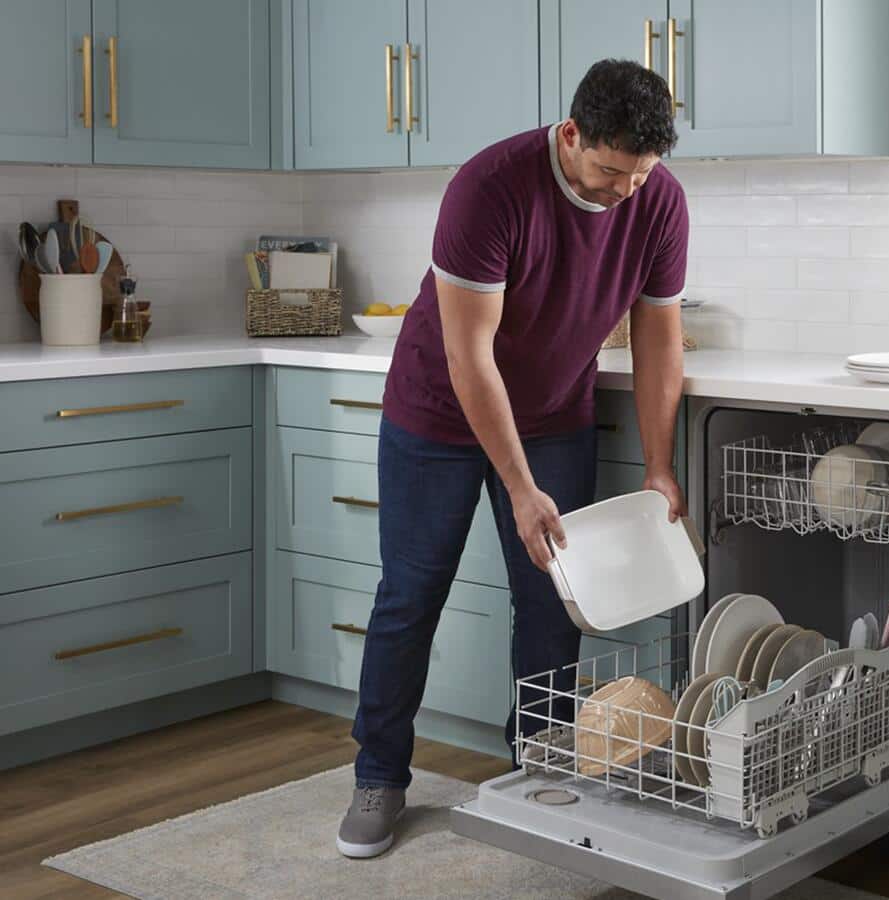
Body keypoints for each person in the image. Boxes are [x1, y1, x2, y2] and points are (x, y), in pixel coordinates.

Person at [336, 58, 688, 859]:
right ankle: (380, 775)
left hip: (556, 413)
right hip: (437, 413)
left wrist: (659, 464)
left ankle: (541, 764)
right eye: (607, 173)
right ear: (570, 136)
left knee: (550, 598)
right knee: (411, 594)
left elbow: (659, 335)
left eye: (638, 177)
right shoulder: (489, 187)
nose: (622, 194)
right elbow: (471, 358)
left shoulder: (656, 198)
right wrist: (522, 486)